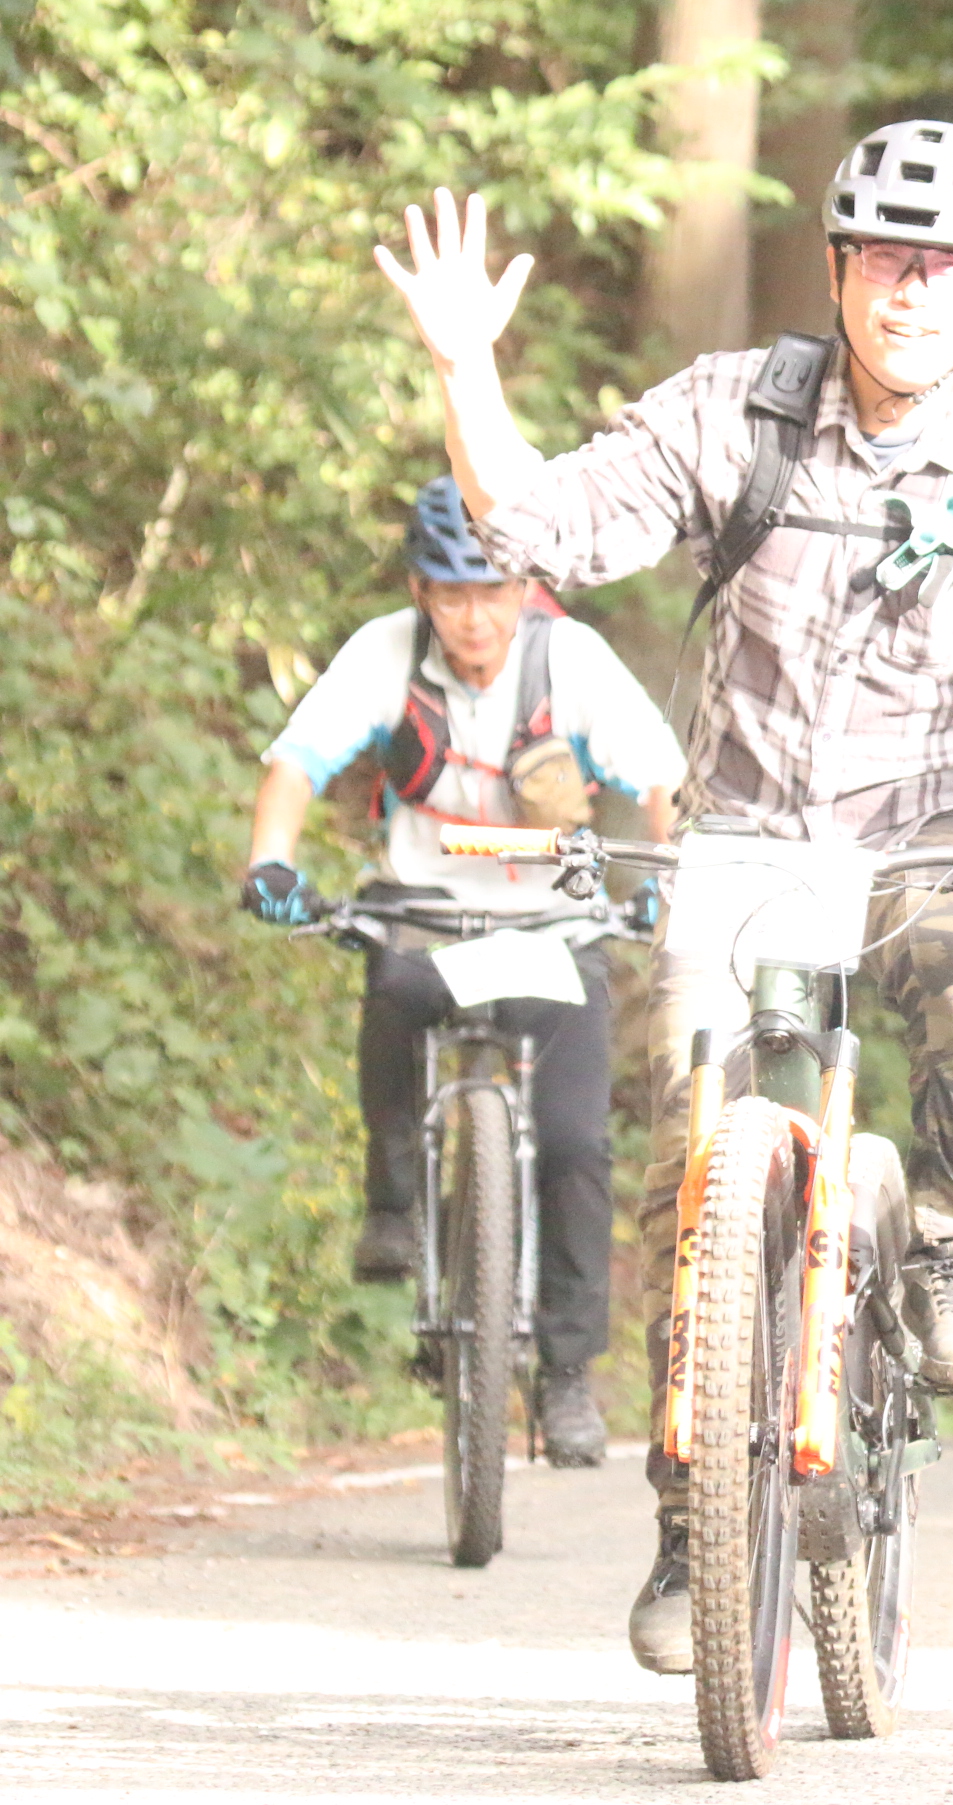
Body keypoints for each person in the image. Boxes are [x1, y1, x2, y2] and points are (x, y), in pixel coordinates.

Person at [374, 124, 953, 1670]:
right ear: (841, 270)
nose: (912, 291)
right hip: (745, 828)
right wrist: (466, 373)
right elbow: (543, 529)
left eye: (948, 267)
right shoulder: (740, 408)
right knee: (689, 1155)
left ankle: (948, 1247)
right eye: (885, 259)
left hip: (942, 830)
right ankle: (694, 1519)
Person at [242, 479, 686, 1466]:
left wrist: (669, 874)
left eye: (492, 592)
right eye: (450, 593)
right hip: (425, 915)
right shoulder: (387, 652)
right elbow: (296, 764)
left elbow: (663, 780)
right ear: (420, 591)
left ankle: (566, 1375)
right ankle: (394, 1201)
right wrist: (271, 863)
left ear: (526, 587)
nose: (474, 617)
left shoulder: (570, 659)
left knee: (573, 1144)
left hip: (554, 925)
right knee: (393, 987)